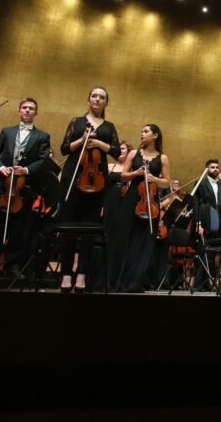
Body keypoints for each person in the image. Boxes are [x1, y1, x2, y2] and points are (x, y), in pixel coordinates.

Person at [57, 86, 120, 292]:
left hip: (98, 180)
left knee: (88, 227)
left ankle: (82, 273)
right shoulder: (77, 122)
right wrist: (82, 141)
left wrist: (100, 144)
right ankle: (66, 273)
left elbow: (118, 152)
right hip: (73, 176)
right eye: (94, 96)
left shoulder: (109, 126)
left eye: (102, 97)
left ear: (106, 103)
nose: (97, 99)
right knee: (69, 224)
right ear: (88, 100)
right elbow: (64, 148)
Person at [0, 98, 51, 278]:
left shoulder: (42, 136)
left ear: (36, 113)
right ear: (19, 111)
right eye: (24, 108)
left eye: (31, 108)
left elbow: (43, 161)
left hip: (23, 189)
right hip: (3, 186)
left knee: (19, 229)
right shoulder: (6, 132)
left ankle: (12, 266)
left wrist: (26, 169)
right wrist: (0, 167)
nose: (27, 111)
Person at [117, 124, 170, 292]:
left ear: (155, 135)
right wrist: (136, 174)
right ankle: (123, 281)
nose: (142, 134)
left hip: (151, 203)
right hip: (132, 199)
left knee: (146, 242)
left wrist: (153, 178)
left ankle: (136, 282)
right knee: (129, 239)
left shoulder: (162, 158)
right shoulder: (133, 154)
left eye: (146, 131)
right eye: (141, 131)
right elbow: (123, 176)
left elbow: (167, 182)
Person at [97, 140, 131, 292]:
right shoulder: (110, 166)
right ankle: (103, 277)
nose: (119, 151)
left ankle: (119, 278)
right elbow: (102, 188)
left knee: (121, 239)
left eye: (123, 149)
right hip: (110, 201)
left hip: (125, 203)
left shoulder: (132, 168)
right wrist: (102, 206)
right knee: (108, 237)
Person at [191, 158, 221, 289]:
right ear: (207, 169)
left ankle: (210, 282)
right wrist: (198, 223)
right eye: (212, 167)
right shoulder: (201, 183)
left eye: (217, 167)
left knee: (214, 253)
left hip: (218, 223)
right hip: (205, 221)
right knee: (203, 251)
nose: (215, 169)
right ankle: (200, 284)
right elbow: (196, 205)